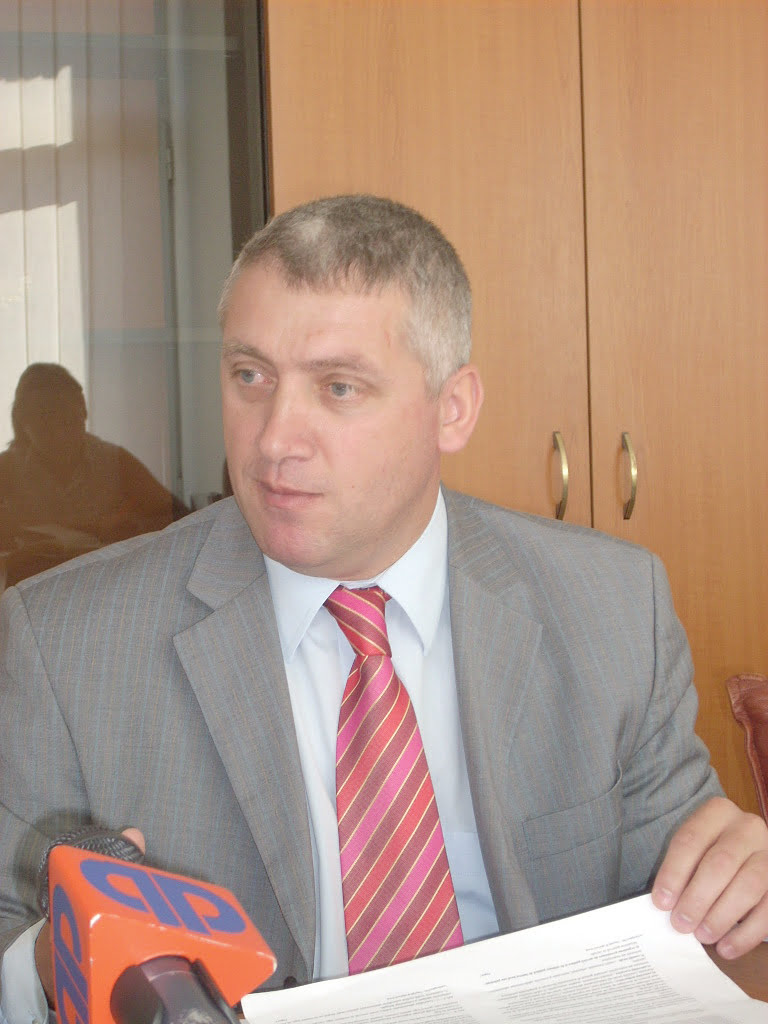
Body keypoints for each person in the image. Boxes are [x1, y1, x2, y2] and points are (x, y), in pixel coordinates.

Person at [1, 195, 766, 1018]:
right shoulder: (64, 643)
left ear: (453, 409)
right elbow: (12, 930)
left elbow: (684, 902)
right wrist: (50, 962)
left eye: (338, 387)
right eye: (250, 376)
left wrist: (736, 883)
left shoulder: (612, 606)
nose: (274, 439)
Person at [0, 362, 188, 590]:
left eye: (67, 419)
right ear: (23, 422)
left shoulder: (115, 461)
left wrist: (134, 527)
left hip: (106, 588)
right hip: (30, 591)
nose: (59, 433)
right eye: (45, 421)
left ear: (83, 411)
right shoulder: (7, 469)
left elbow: (179, 519)